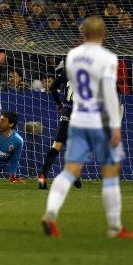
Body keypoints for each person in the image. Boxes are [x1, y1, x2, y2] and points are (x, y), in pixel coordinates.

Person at [41, 16, 133, 239]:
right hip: (100, 121)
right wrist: (115, 125)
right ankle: (115, 227)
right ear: (104, 34)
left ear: (83, 34)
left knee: (70, 170)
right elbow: (109, 93)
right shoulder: (108, 58)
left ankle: (50, 213)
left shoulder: (73, 56)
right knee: (111, 172)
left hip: (77, 118)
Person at [37, 61, 82, 190]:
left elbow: (52, 87)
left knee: (57, 145)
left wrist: (59, 103)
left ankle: (43, 176)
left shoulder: (68, 71)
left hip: (67, 111)